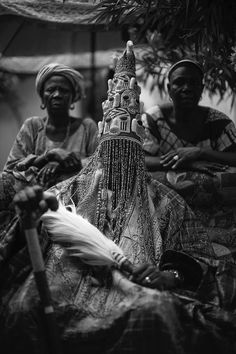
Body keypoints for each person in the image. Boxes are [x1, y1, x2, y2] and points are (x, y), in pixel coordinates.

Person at [0, 42, 236, 354]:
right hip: (67, 282)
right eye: (111, 151)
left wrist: (170, 275)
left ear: (139, 155)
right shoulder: (68, 190)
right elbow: (34, 229)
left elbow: (200, 257)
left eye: (126, 152)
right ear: (99, 151)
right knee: (22, 308)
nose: (118, 159)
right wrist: (28, 213)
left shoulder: (166, 201)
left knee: (154, 313)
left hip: (136, 289)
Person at [141, 60, 236, 262]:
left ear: (201, 88)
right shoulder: (153, 119)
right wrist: (186, 163)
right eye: (180, 82)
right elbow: (140, 160)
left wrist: (199, 152)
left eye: (193, 83)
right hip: (166, 201)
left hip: (212, 208)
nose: (187, 88)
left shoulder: (217, 121)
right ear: (169, 88)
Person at [3, 63, 98, 191]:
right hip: (36, 200)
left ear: (73, 97)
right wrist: (49, 156)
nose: (57, 94)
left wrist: (60, 166)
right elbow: (10, 169)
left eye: (64, 90)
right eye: (50, 90)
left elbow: (100, 164)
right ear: (42, 97)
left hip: (76, 200)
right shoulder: (32, 126)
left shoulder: (87, 127)